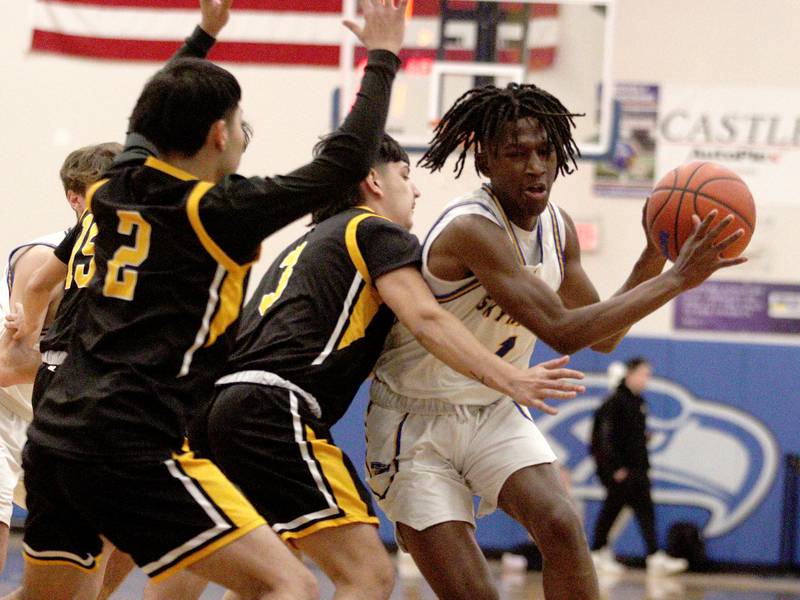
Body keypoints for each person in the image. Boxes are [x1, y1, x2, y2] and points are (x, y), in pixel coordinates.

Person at [18, 0, 408, 598]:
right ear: (220, 133)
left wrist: (206, 34)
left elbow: (148, 110)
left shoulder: (122, 182)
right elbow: (345, 162)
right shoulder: (215, 210)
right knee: (292, 587)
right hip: (134, 443)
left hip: (56, 435)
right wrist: (381, 57)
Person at [156, 133, 586, 600]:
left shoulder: (311, 243)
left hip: (215, 409)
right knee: (368, 576)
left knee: (245, 568)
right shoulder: (374, 232)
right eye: (405, 176)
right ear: (373, 182)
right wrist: (510, 377)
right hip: (272, 410)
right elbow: (426, 318)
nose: (416, 191)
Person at [364, 82, 746, 600]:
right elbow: (561, 330)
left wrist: (653, 254)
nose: (535, 166)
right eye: (515, 153)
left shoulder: (558, 226)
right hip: (415, 423)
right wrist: (677, 280)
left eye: (544, 150)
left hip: (491, 407)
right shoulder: (471, 229)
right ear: (484, 161)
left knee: (563, 526)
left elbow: (604, 337)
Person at [0, 143, 122, 582]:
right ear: (76, 198)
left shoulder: (122, 254)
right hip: (8, 407)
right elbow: (9, 365)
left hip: (52, 414)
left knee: (100, 550)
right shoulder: (47, 254)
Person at [590, 357, 689, 576]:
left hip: (638, 468)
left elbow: (630, 436)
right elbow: (604, 438)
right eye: (644, 374)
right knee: (612, 509)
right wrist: (614, 467)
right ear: (630, 374)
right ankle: (596, 552)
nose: (647, 379)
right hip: (622, 470)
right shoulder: (615, 402)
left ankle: (654, 556)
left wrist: (643, 440)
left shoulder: (638, 402)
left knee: (646, 511)